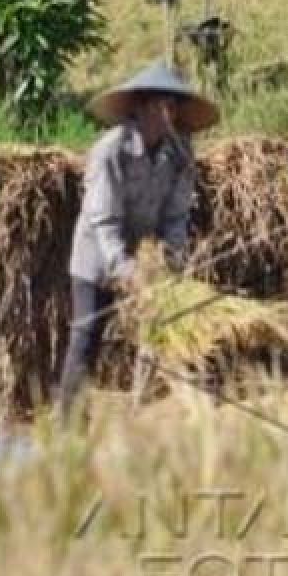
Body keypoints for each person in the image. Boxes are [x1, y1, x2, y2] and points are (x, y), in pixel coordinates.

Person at [57, 62, 220, 423]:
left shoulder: (179, 153)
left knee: (167, 331)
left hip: (148, 256)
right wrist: (123, 268)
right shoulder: (110, 151)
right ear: (142, 108)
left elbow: (177, 214)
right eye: (164, 106)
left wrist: (168, 259)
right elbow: (104, 218)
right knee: (86, 337)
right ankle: (68, 426)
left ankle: (150, 410)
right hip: (98, 258)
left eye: (175, 107)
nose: (170, 114)